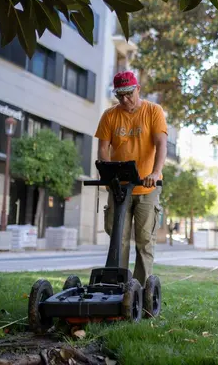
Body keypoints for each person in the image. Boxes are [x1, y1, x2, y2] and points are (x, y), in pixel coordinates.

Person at [95, 71, 167, 288]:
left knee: (144, 241)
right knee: (119, 239)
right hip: (119, 187)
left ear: (138, 89)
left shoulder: (153, 111)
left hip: (147, 188)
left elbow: (161, 144)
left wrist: (155, 173)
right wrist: (108, 174)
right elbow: (103, 149)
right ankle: (118, 287)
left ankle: (140, 291)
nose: (125, 99)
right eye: (120, 95)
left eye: (129, 94)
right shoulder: (110, 115)